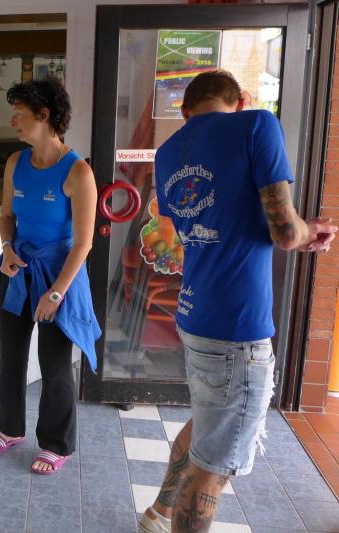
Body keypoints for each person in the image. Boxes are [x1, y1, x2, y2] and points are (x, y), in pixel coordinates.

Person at [140, 70, 337, 533]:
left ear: (185, 112)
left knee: (208, 426)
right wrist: (311, 231)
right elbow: (285, 231)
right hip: (237, 323)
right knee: (214, 465)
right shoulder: (256, 125)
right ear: (241, 101)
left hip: (195, 311)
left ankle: (158, 514)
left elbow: (199, 226)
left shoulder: (167, 153)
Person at [0, 79, 101, 474]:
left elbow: (83, 244)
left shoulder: (78, 172)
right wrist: (7, 249)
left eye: (19, 113)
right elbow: (6, 217)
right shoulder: (15, 163)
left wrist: (55, 294)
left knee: (54, 364)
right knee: (10, 354)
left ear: (45, 115)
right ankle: (8, 428)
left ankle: (55, 443)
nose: (12, 120)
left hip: (59, 277)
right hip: (18, 271)